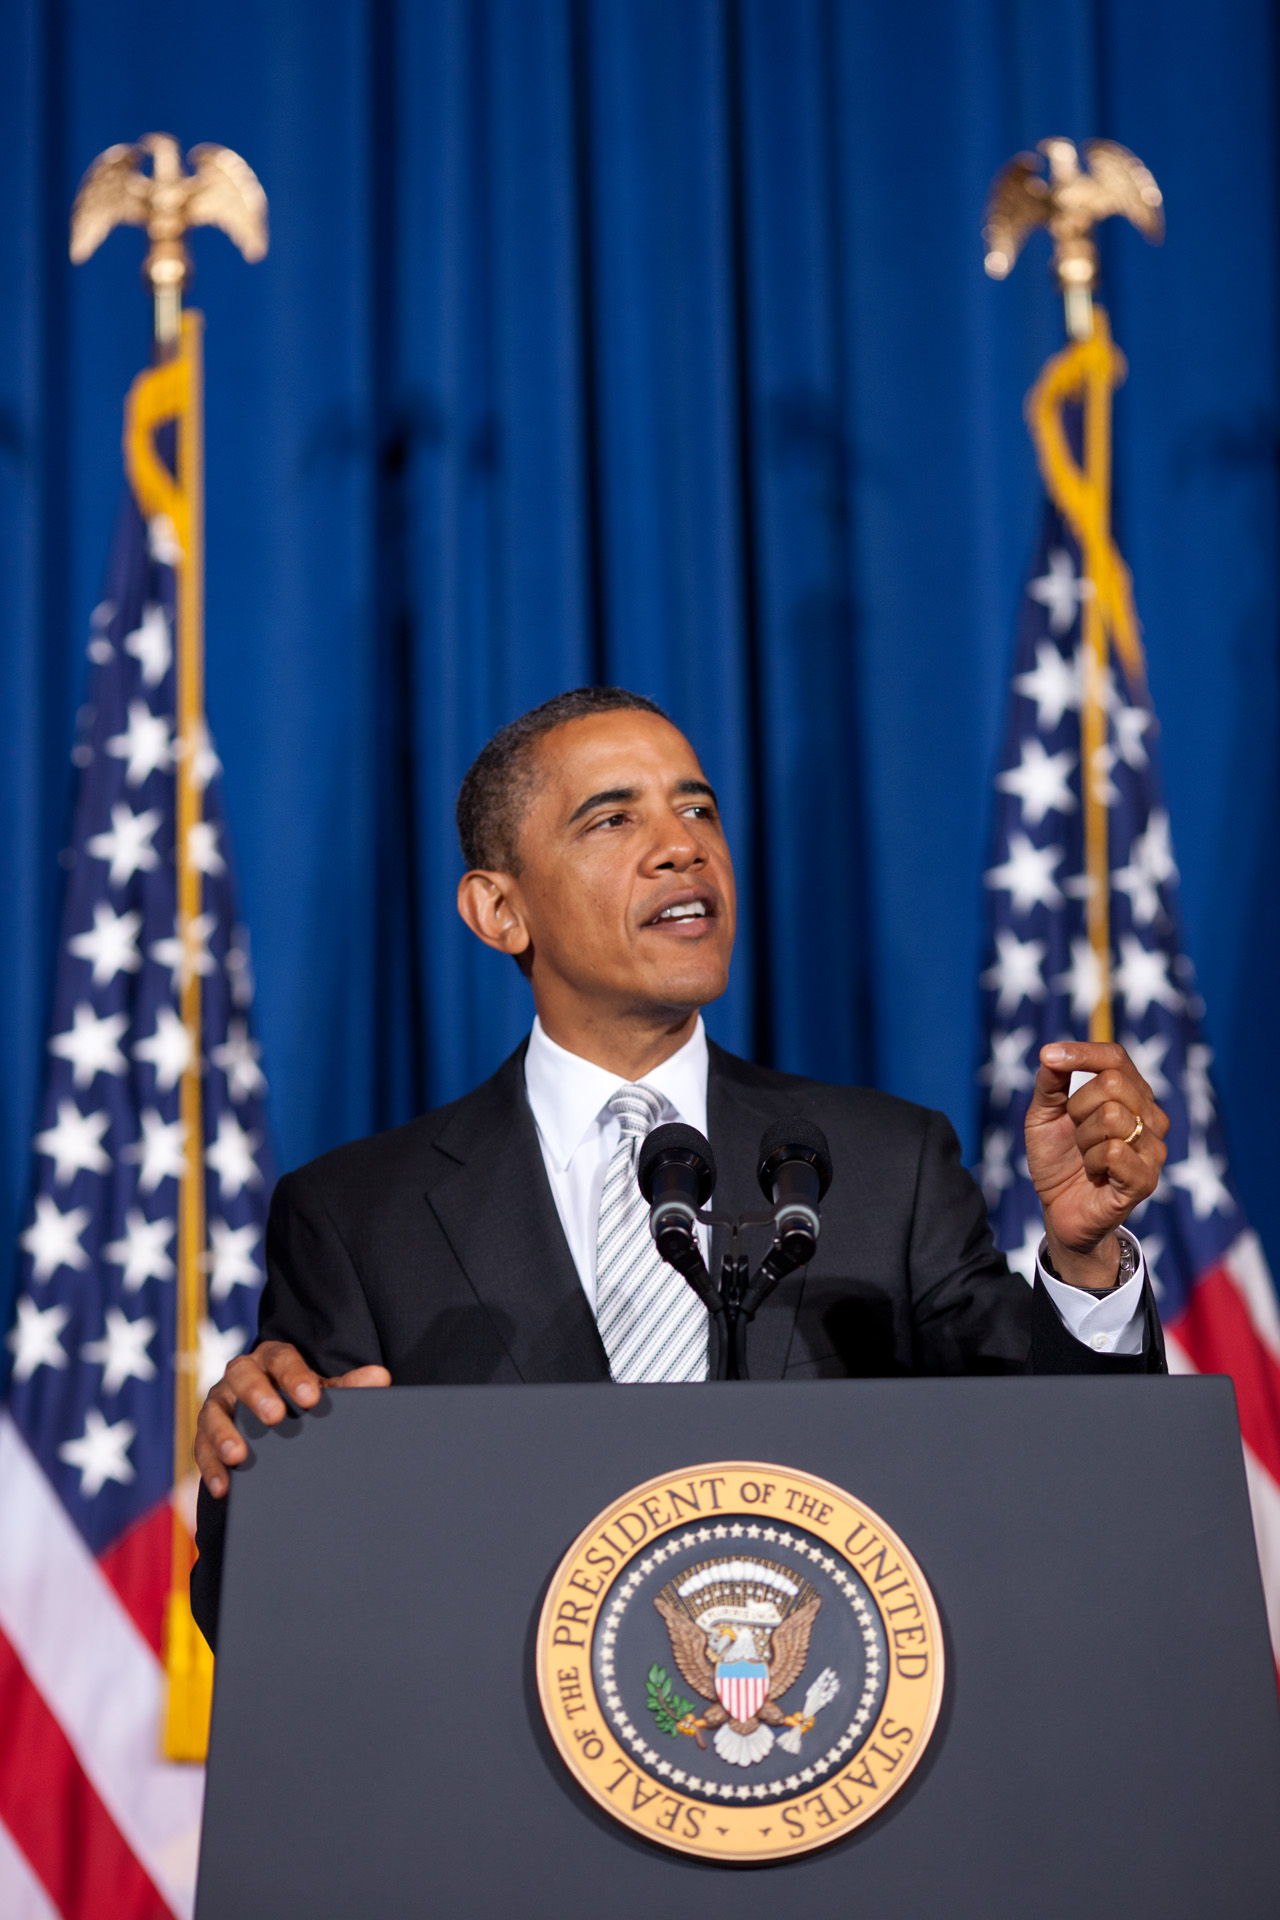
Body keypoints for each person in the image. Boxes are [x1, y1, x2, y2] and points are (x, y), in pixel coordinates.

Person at [191, 687, 1168, 1645]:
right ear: (499, 910)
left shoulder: (883, 1164)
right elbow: (258, 1618)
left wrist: (1083, 1268)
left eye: (695, 807)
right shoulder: (361, 1217)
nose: (680, 845)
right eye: (610, 819)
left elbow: (1054, 1485)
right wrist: (264, 1469)